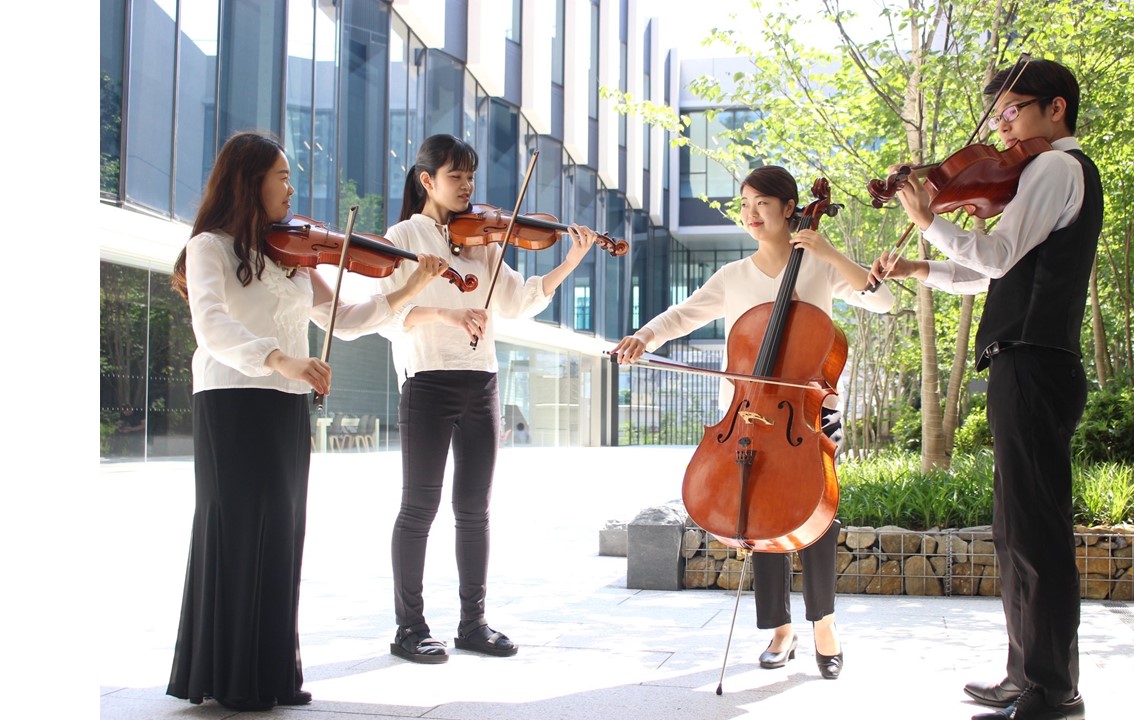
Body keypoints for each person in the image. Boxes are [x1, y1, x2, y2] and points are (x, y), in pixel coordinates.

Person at [165, 130, 445, 712]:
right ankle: (229, 675)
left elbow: (344, 318)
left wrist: (410, 287)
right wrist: (281, 358)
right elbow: (211, 326)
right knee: (237, 531)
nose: (292, 188)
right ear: (249, 181)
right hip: (233, 398)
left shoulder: (290, 256)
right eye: (282, 176)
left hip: (286, 402)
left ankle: (272, 674)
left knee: (284, 534)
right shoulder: (209, 247)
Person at [869, 58, 1099, 720]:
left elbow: (994, 257)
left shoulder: (1057, 167)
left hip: (1035, 361)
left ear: (1055, 109)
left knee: (1037, 533)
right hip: (1024, 362)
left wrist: (930, 217)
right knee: (1014, 529)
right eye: (997, 116)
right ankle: (1026, 675)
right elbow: (987, 275)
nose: (1001, 130)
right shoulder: (1040, 174)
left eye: (1010, 112)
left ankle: (1054, 691)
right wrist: (920, 260)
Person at [612, 165, 893, 680]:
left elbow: (884, 299)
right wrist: (644, 337)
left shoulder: (819, 267)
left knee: (819, 516)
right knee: (755, 517)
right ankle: (779, 629)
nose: (750, 214)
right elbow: (683, 315)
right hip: (747, 414)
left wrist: (830, 253)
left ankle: (823, 623)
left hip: (808, 414)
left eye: (761, 203)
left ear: (790, 209)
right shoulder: (733, 277)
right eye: (744, 204)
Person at [376, 134, 599, 663]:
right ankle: (409, 628)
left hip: (481, 380)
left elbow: (519, 302)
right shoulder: (404, 235)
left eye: (471, 176)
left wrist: (571, 261)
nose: (467, 186)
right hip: (428, 380)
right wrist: (447, 314)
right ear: (427, 180)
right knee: (419, 508)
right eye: (456, 176)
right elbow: (388, 315)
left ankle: (472, 623)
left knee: (474, 511)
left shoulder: (484, 241)